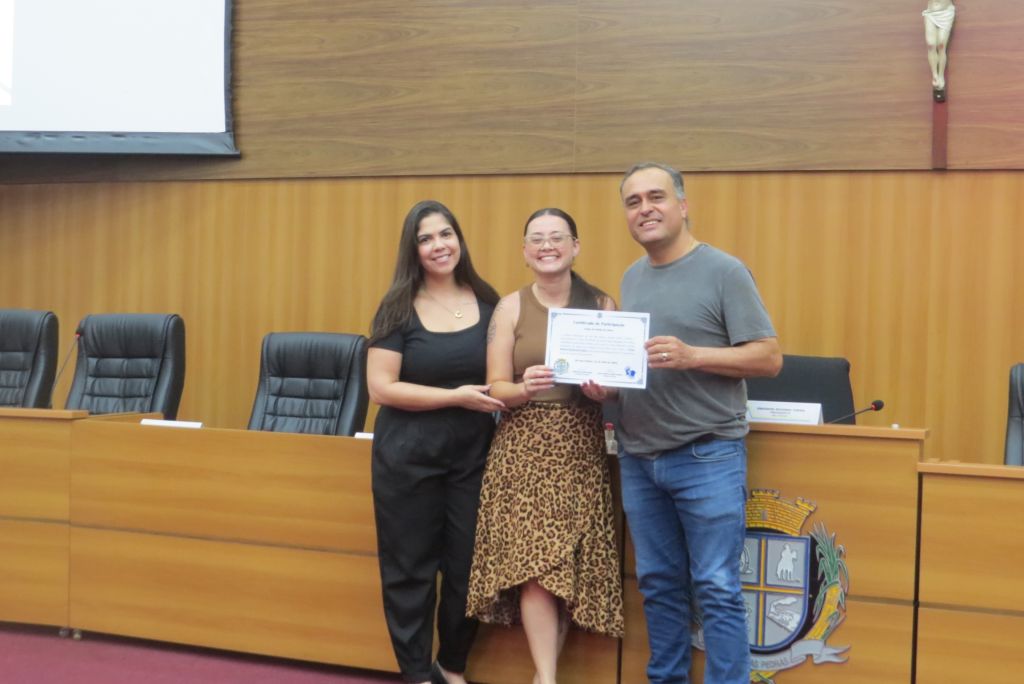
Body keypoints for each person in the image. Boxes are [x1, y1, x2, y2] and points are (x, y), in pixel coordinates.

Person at [613, 162, 782, 684]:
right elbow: (639, 367)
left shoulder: (725, 271)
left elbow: (768, 358)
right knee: (658, 584)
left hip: (706, 456)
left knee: (716, 586)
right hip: (639, 458)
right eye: (634, 201)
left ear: (683, 206)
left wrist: (693, 356)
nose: (645, 209)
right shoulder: (632, 277)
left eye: (656, 197)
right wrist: (606, 386)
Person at [465, 208, 624, 684]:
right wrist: (523, 388)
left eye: (557, 237)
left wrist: (605, 390)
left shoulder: (602, 305)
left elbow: (618, 384)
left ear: (575, 246)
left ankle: (542, 677)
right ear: (525, 251)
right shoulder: (509, 307)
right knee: (535, 564)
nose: (547, 246)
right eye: (537, 238)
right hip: (523, 446)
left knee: (567, 562)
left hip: (579, 445)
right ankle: (548, 678)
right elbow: (495, 386)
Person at [367, 200, 505, 684]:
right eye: (425, 239)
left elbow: (504, 375)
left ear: (459, 239)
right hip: (407, 457)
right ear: (413, 250)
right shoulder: (397, 307)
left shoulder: (489, 303)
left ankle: (451, 666)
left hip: (473, 457)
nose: (438, 245)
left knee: (470, 568)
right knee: (410, 570)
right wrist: (454, 397)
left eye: (445, 234)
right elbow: (381, 388)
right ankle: (417, 673)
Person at [923, 0, 956, 99]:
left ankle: (941, 76)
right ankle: (935, 75)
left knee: (941, 45)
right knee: (931, 45)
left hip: (946, 13)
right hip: (931, 13)